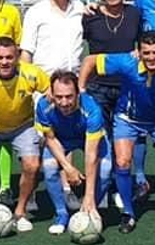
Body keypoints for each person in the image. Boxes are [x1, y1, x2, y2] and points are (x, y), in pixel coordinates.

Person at [79, 30, 155, 234]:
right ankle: (128, 214)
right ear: (138, 52)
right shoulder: (126, 62)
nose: (151, 57)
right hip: (127, 119)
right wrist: (82, 92)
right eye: (146, 52)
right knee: (122, 161)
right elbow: (90, 60)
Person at [0, 38, 51, 233]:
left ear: (17, 58)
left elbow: (50, 91)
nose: (4, 62)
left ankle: (20, 212)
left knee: (32, 165)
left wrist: (45, 116)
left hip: (22, 126)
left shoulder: (31, 73)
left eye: (9, 57)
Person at [81, 0, 145, 205]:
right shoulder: (90, 17)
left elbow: (143, 42)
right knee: (101, 139)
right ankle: (101, 188)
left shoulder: (135, 14)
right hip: (98, 87)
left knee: (129, 137)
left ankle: (129, 184)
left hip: (127, 87)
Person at [33, 72, 106, 236]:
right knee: (50, 166)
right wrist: (68, 168)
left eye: (69, 96)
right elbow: (50, 139)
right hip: (60, 139)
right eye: (59, 97)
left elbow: (91, 154)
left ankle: (89, 206)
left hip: (87, 139)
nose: (64, 102)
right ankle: (61, 214)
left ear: (78, 93)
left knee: (106, 169)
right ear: (51, 93)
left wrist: (88, 194)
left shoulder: (92, 109)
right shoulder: (43, 105)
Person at [20, 0, 87, 75]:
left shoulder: (80, 9)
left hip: (73, 82)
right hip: (44, 82)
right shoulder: (35, 12)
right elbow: (26, 52)